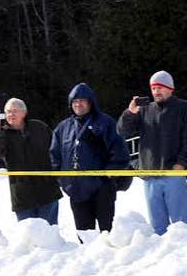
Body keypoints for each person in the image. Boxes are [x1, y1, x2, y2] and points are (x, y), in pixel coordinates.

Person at [118, 71, 187, 234]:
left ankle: (185, 255)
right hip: (150, 175)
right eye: (153, 88)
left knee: (181, 226)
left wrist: (181, 162)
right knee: (157, 228)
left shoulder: (183, 107)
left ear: (170, 88)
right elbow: (123, 131)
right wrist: (130, 112)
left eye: (160, 87)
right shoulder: (144, 110)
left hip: (173, 173)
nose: (156, 92)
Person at [51, 82, 130, 232]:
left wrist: (109, 174)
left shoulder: (105, 123)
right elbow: (54, 155)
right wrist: (62, 179)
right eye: (74, 101)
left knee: (106, 232)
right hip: (76, 188)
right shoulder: (63, 127)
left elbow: (120, 151)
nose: (78, 104)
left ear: (90, 102)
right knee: (84, 235)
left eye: (82, 100)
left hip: (102, 187)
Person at [0, 98, 62, 224]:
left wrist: (58, 174)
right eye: (8, 112)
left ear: (24, 113)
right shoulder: (2, 134)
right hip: (22, 195)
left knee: (49, 235)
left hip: (47, 191)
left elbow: (57, 149)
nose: (11, 114)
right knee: (27, 237)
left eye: (15, 111)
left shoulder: (39, 127)